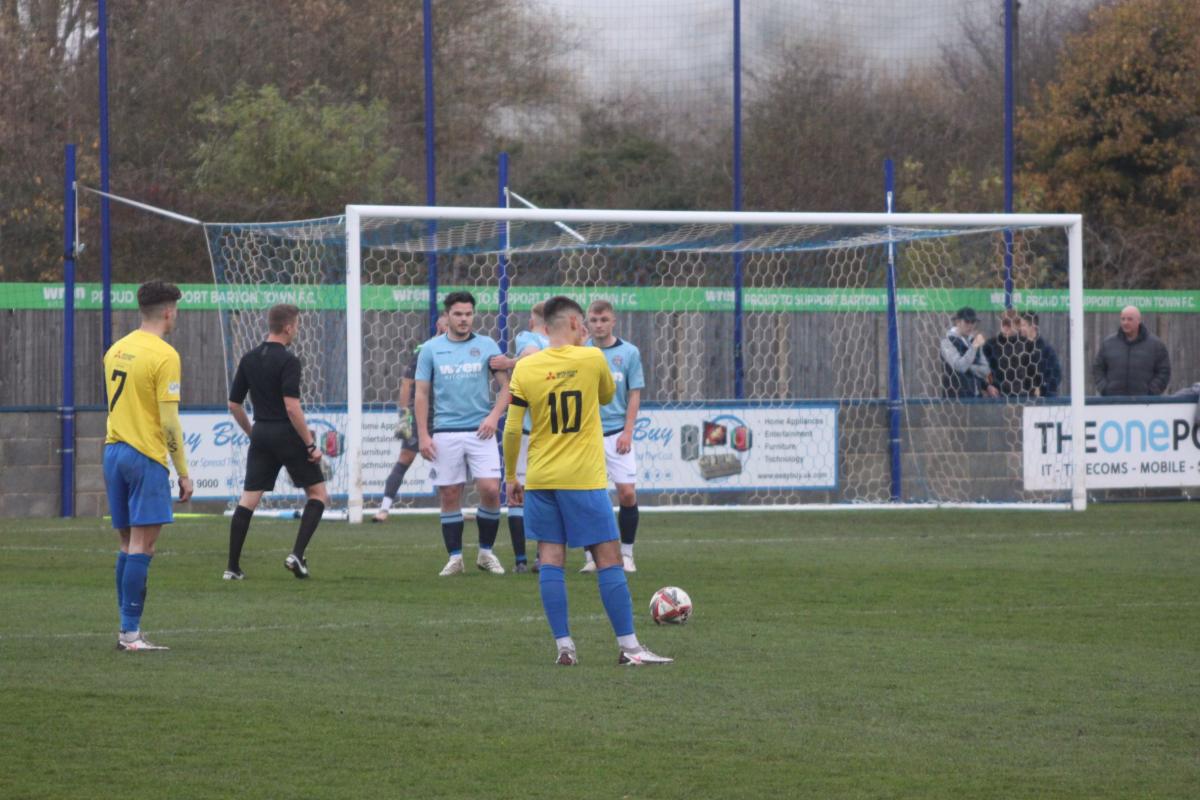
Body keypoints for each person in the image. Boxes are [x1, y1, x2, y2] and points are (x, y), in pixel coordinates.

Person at [502, 295, 672, 666]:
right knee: (609, 558)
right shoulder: (593, 358)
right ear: (575, 324)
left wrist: (511, 475)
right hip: (582, 478)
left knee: (550, 558)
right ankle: (630, 648)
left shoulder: (525, 368)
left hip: (541, 478)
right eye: (583, 323)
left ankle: (565, 647)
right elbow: (607, 395)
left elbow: (512, 428)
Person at [103, 280, 193, 652]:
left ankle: (127, 631)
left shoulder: (116, 349)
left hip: (114, 451)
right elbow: (169, 422)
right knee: (144, 544)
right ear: (169, 311)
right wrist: (183, 471)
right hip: (145, 456)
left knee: (127, 543)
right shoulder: (164, 355)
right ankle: (130, 634)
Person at [224, 304, 330, 580]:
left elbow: (234, 404)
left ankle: (232, 568)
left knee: (248, 500)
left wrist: (252, 433)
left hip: (261, 432)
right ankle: (296, 555)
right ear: (288, 327)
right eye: (297, 326)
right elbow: (292, 407)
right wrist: (310, 444)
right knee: (318, 494)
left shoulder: (249, 358)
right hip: (286, 433)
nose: (297, 331)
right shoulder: (289, 360)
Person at [415, 291, 511, 576]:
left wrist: (493, 416)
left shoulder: (487, 345)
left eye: (468, 314)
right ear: (447, 316)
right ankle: (455, 557)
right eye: (458, 314)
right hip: (445, 431)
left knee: (491, 490)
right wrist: (423, 435)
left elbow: (507, 387)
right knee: (449, 493)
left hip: (481, 431)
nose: (464, 319)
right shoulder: (430, 349)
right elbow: (421, 393)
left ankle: (486, 553)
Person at [580, 299, 644, 574]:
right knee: (587, 498)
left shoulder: (629, 353)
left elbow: (634, 394)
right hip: (587, 435)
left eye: (604, 319)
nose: (599, 325)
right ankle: (591, 557)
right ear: (587, 323)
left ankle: (626, 554)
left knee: (627, 494)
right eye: (594, 320)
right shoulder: (580, 353)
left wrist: (627, 432)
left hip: (617, 434)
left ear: (613, 321)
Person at [488, 301, 550, 573]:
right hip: (546, 430)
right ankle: (536, 558)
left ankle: (523, 560)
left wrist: (510, 362)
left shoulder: (529, 337)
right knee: (542, 494)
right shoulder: (557, 345)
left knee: (520, 491)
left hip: (531, 429)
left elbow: (529, 357)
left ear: (532, 322)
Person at [373, 313, 448, 523]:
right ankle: (384, 508)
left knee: (450, 460)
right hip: (421, 413)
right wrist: (404, 415)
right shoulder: (425, 350)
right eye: (446, 324)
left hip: (445, 414)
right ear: (439, 325)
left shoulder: (456, 351)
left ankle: (452, 508)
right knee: (406, 457)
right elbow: (407, 384)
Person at [1092, 305, 1171, 396]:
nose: (1125, 322)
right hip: (1114, 401)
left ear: (1139, 320)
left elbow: (1164, 371)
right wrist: (1105, 389)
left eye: (1130, 319)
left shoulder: (1156, 345)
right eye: (1123, 319)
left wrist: (1151, 391)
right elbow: (1098, 368)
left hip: (1144, 402)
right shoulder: (1108, 344)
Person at [940, 307, 1000, 399]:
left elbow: (985, 370)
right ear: (958, 322)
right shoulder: (947, 342)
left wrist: (987, 386)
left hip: (976, 398)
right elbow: (960, 367)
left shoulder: (973, 341)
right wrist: (974, 347)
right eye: (967, 322)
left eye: (973, 322)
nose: (970, 325)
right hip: (955, 399)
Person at [983, 309, 1032, 397]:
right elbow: (982, 370)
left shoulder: (1027, 344)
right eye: (1003, 323)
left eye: (1008, 324)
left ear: (1017, 325)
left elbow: (1033, 371)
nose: (1005, 327)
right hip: (997, 395)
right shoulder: (990, 344)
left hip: (1021, 396)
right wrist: (987, 386)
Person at [1018, 312, 1061, 398]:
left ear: (1033, 327)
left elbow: (1056, 375)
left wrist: (1042, 389)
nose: (1020, 328)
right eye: (1020, 325)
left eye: (1023, 325)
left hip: (1042, 400)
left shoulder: (1045, 349)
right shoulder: (1017, 347)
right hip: (1020, 399)